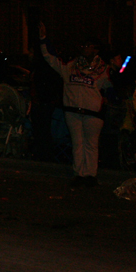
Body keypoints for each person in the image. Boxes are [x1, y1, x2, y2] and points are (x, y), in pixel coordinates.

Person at [39, 22, 112, 187]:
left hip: (93, 113)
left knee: (91, 144)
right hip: (72, 111)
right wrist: (43, 39)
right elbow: (50, 58)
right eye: (83, 45)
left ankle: (91, 175)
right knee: (77, 143)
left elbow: (114, 85)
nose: (85, 48)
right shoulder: (70, 66)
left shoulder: (104, 69)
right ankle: (79, 174)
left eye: (89, 46)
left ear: (96, 50)